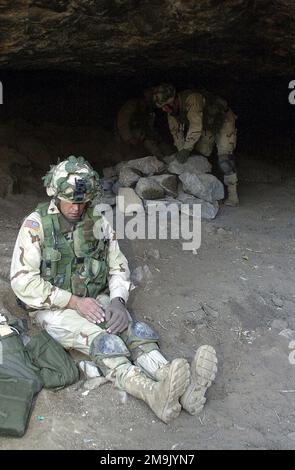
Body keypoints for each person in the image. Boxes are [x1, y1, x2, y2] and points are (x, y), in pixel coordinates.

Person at [10, 155, 217, 423]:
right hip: (53, 308)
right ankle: (151, 393)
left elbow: (117, 265)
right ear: (56, 194)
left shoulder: (97, 220)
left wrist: (118, 300)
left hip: (97, 298)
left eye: (81, 201)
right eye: (70, 200)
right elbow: (22, 281)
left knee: (134, 330)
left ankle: (180, 386)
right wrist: (73, 302)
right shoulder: (36, 225)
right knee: (104, 341)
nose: (76, 208)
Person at [152, 83, 239, 206]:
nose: (163, 109)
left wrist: (186, 149)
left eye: (165, 105)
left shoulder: (193, 99)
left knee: (224, 159)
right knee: (201, 153)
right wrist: (182, 150)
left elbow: (195, 126)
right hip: (208, 125)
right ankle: (209, 185)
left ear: (173, 99)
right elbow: (176, 132)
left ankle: (232, 194)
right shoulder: (172, 110)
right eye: (161, 107)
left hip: (224, 120)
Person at [116, 88, 168, 158]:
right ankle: (161, 157)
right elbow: (122, 123)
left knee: (156, 138)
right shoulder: (132, 105)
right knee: (145, 138)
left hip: (140, 131)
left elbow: (149, 124)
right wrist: (129, 138)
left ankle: (167, 156)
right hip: (125, 134)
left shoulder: (148, 108)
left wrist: (154, 135)